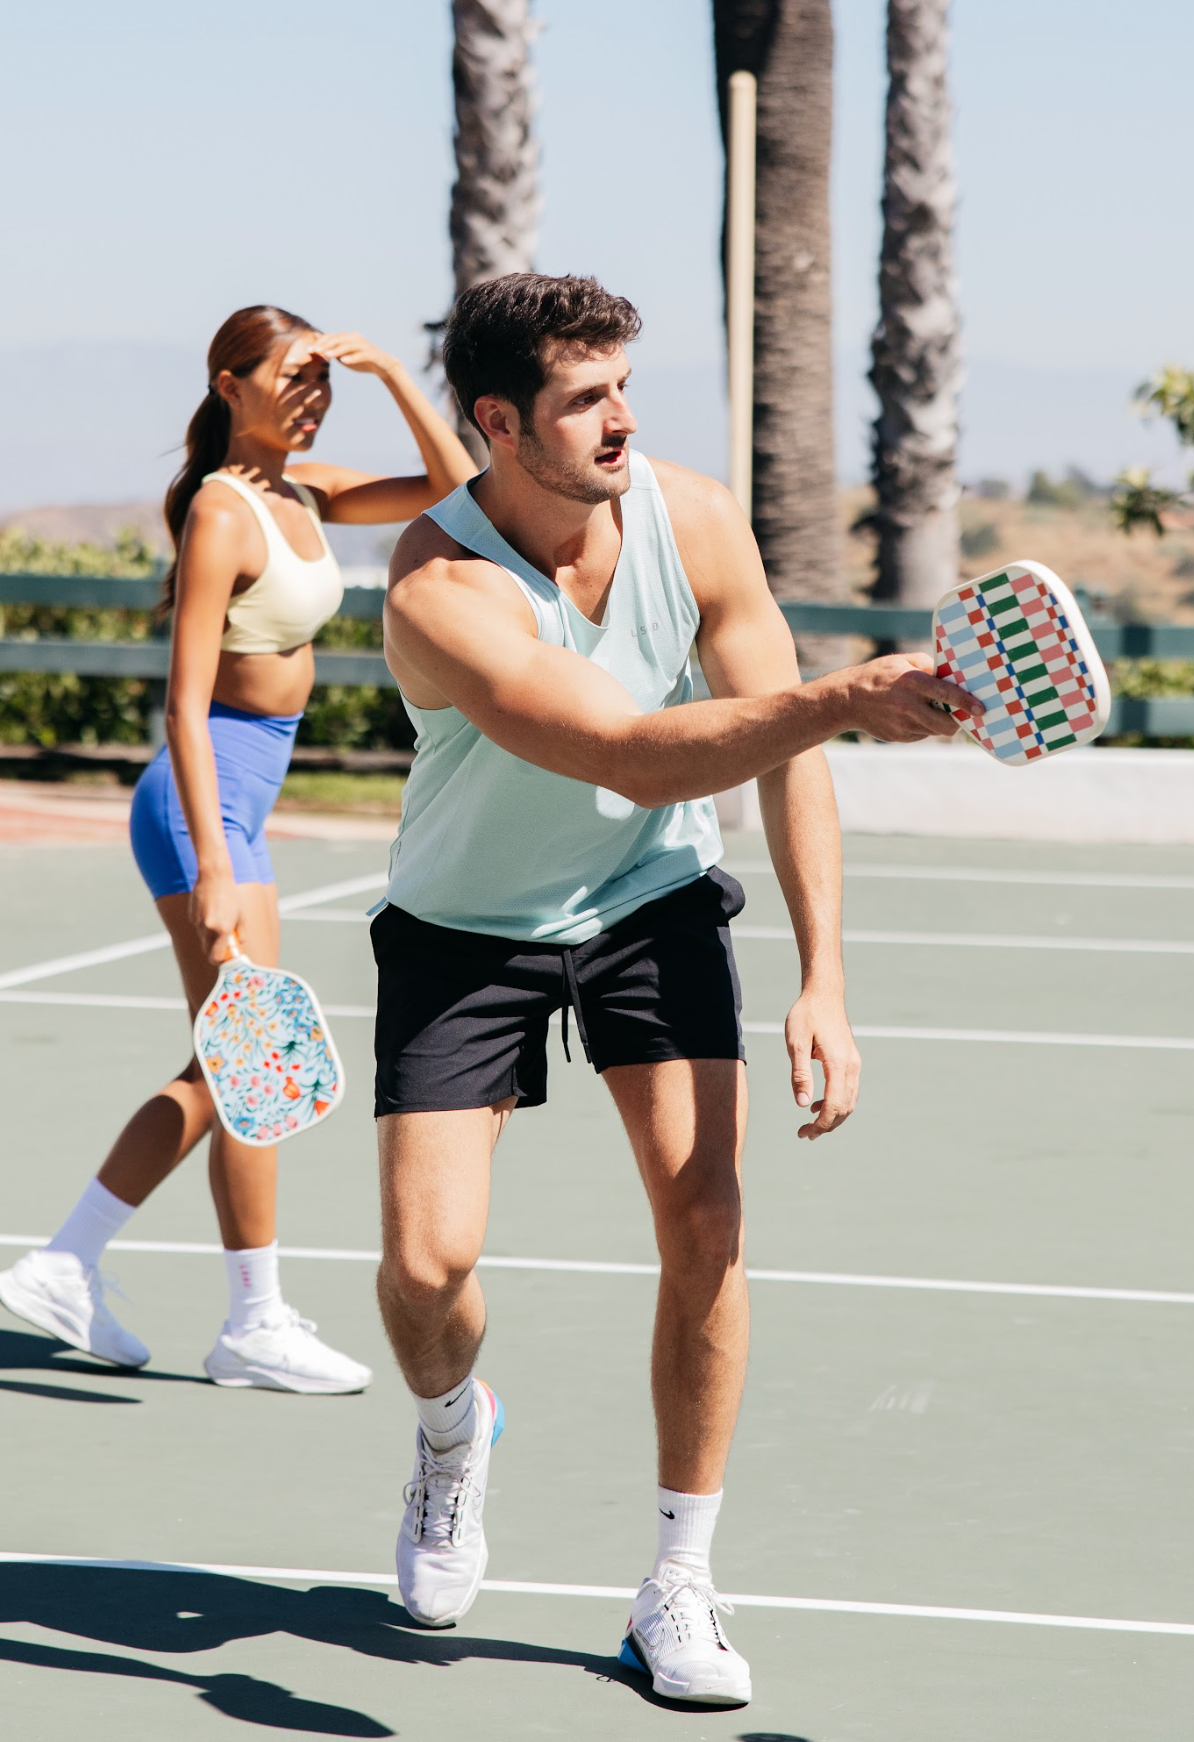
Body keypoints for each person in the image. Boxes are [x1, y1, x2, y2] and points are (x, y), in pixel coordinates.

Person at [372, 273, 981, 1705]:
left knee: (706, 1217)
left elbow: (779, 752)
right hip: (466, 925)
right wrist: (839, 694)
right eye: (583, 397)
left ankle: (677, 1578)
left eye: (622, 385)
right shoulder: (436, 583)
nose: (618, 419)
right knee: (423, 1268)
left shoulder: (692, 517)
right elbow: (632, 750)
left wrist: (823, 973)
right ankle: (453, 1432)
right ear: (497, 422)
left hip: (648, 901)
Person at [0, 304, 475, 1393]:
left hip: (238, 807)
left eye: (324, 384)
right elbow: (183, 702)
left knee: (244, 1058)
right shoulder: (222, 511)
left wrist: (399, 374)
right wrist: (215, 858)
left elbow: (460, 489)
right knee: (254, 1058)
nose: (311, 399)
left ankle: (98, 1267)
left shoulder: (303, 494)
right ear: (230, 384)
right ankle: (181, 1296)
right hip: (200, 800)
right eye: (292, 379)